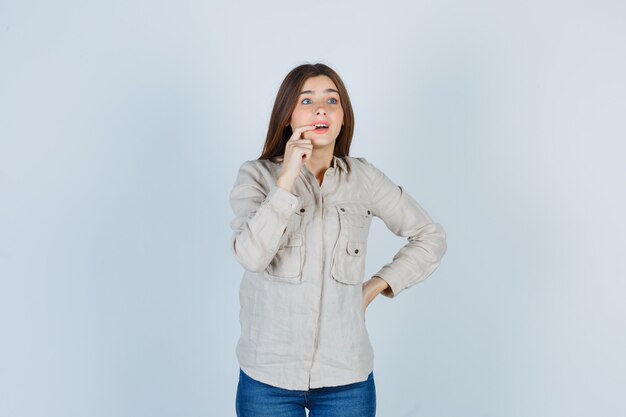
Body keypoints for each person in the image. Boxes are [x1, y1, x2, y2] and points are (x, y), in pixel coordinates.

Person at [229, 63, 447, 417]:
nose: (321, 109)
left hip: (346, 380)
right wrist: (285, 182)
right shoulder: (255, 176)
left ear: (343, 118)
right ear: (287, 116)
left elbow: (430, 236)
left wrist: (376, 286)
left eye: (332, 101)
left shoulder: (363, 179)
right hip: (267, 379)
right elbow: (251, 255)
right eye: (307, 100)